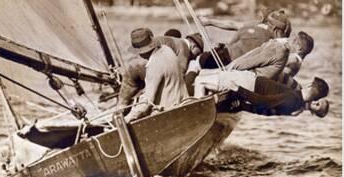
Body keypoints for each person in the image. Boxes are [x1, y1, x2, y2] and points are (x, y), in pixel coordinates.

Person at [117, 31, 203, 108]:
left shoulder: (171, 40)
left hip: (133, 65)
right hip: (147, 65)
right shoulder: (184, 49)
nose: (195, 57)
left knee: (124, 99)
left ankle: (119, 111)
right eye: (198, 53)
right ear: (194, 46)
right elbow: (179, 74)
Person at [194, 69, 329, 117]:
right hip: (250, 82)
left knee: (200, 80)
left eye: (318, 106)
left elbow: (263, 103)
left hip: (247, 84)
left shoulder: (293, 99)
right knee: (207, 79)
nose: (315, 103)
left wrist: (238, 89)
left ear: (311, 85)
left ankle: (195, 114)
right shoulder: (295, 97)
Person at [124, 28, 188, 123]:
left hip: (168, 111)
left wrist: (126, 119)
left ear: (141, 52)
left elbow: (146, 103)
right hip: (183, 102)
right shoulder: (167, 50)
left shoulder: (153, 66)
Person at [227, 31, 314, 80]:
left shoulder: (293, 59)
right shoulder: (297, 62)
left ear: (299, 48)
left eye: (293, 41)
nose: (289, 41)